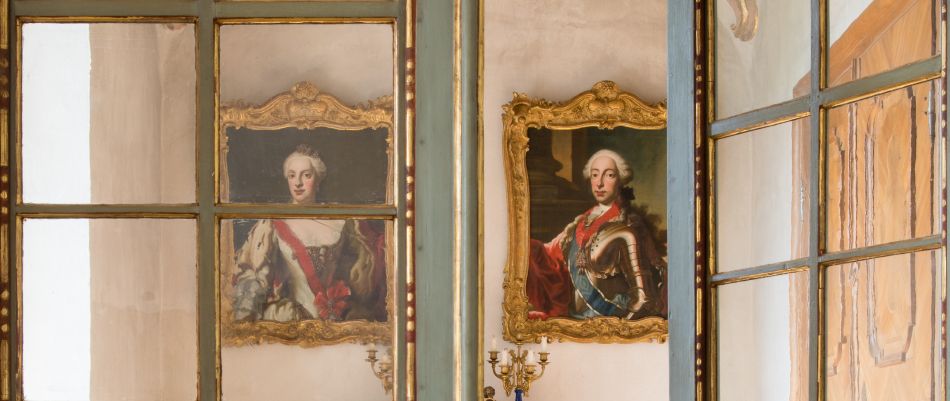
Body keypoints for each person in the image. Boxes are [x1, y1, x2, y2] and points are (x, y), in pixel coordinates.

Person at [231, 144, 387, 323]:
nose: (297, 183)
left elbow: (370, 261)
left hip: (336, 324)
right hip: (292, 323)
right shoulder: (273, 222)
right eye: (292, 176)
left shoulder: (341, 220)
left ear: (318, 179)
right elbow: (253, 277)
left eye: (306, 175)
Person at [526, 149, 666, 320]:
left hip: (610, 317)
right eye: (594, 175)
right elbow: (549, 256)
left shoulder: (630, 225)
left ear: (620, 180)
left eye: (609, 175)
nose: (599, 183)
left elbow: (645, 297)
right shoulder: (579, 222)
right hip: (574, 317)